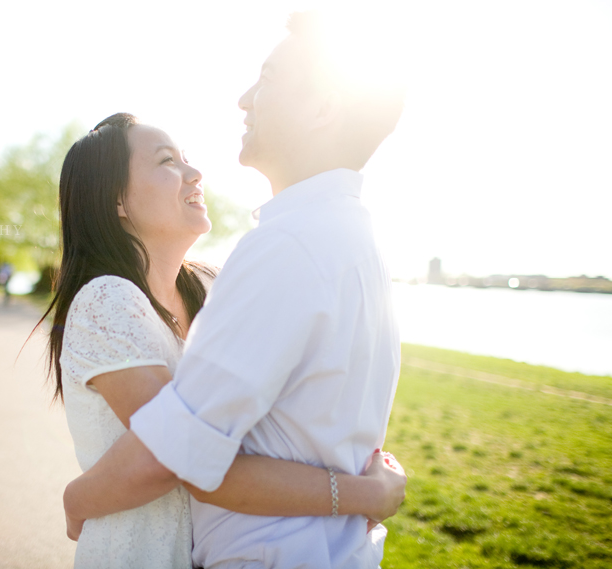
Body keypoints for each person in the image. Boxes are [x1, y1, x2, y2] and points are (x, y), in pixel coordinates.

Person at [62, 11, 407, 569]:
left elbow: (177, 455)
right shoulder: (346, 234)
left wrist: (76, 498)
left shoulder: (283, 247)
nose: (244, 99)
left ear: (322, 109)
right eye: (167, 162)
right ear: (115, 201)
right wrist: (367, 493)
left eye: (267, 79)